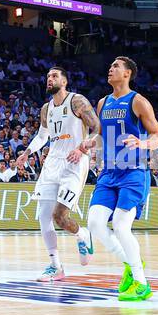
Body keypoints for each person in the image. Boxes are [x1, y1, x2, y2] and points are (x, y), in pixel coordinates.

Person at [80, 56, 158, 303]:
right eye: (110, 65)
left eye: (116, 66)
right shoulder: (102, 102)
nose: (110, 68)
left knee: (120, 225)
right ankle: (129, 262)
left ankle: (141, 283)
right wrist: (90, 142)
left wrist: (143, 143)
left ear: (127, 73)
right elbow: (102, 134)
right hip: (109, 173)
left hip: (134, 172)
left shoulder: (138, 101)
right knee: (94, 223)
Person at [18, 67, 97, 281]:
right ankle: (56, 266)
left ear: (64, 81)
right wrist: (27, 153)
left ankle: (82, 235)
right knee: (44, 217)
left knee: (60, 217)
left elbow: (97, 127)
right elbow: (42, 135)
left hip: (75, 161)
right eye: (47, 77)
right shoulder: (46, 108)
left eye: (54, 76)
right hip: (52, 162)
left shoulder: (77, 101)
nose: (49, 79)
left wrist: (82, 148)